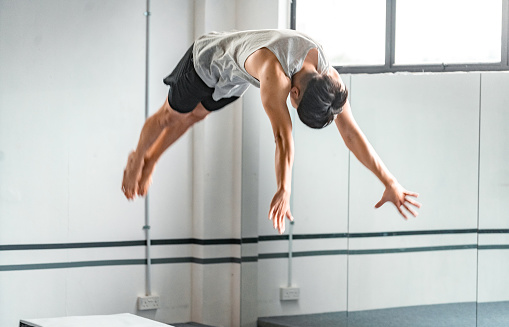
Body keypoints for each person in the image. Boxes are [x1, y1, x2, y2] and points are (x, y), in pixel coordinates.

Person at [122, 29, 421, 234]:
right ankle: (138, 157)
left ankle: (153, 158)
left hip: (235, 77)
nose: (290, 103)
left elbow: (352, 134)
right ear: (294, 92)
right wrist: (284, 188)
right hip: (206, 60)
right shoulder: (273, 75)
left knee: (193, 117)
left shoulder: (329, 78)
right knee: (170, 117)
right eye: (294, 101)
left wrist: (389, 180)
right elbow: (282, 138)